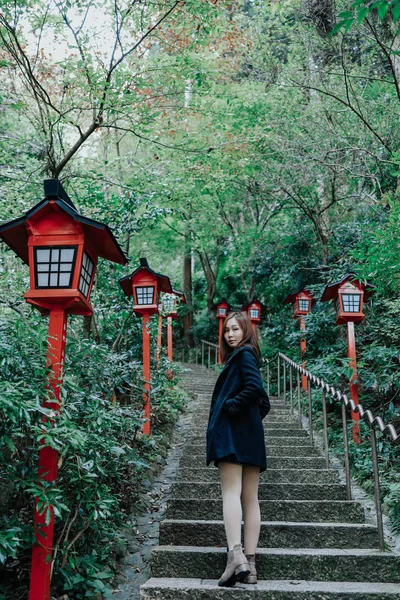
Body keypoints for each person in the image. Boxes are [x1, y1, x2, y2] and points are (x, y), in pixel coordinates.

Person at [206, 311, 270, 587]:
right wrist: (250, 417)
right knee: (250, 498)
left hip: (232, 434)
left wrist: (231, 407)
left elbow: (255, 390)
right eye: (226, 331)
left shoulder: (243, 355)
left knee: (231, 493)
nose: (230, 334)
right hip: (250, 435)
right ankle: (251, 565)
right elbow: (263, 401)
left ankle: (236, 557)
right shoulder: (250, 357)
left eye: (235, 329)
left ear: (246, 329)